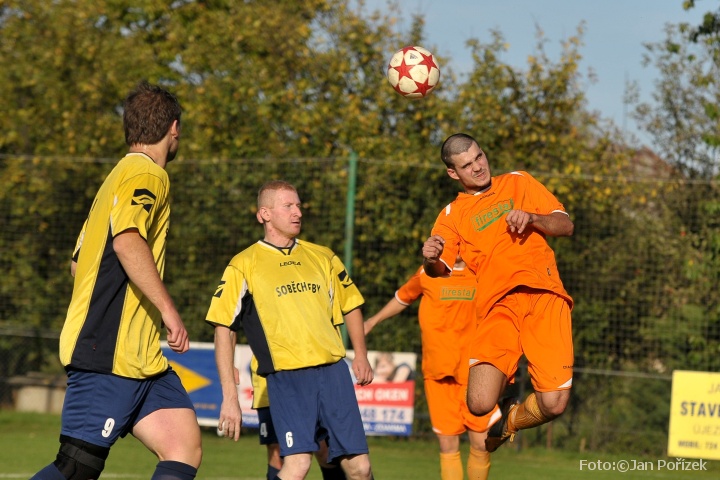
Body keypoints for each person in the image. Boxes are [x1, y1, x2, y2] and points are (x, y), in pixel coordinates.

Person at [31, 81, 202, 480]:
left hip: (141, 358)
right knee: (76, 466)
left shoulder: (114, 179)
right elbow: (127, 241)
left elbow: (78, 265)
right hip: (110, 353)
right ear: (174, 129)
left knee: (182, 447)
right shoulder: (147, 173)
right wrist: (168, 310)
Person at [206, 180, 375, 480]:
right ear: (265, 214)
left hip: (333, 373)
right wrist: (229, 397)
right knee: (297, 466)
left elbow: (350, 304)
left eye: (298, 205)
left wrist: (360, 355)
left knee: (360, 468)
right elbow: (224, 328)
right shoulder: (243, 264)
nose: (298, 212)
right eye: (288, 206)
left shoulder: (323, 256)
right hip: (287, 379)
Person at [422, 133, 574, 453]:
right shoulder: (451, 215)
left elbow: (565, 225)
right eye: (467, 165)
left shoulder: (519, 182)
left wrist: (533, 218)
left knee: (554, 403)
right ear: (453, 173)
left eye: (479, 156)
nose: (478, 167)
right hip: (498, 306)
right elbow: (439, 270)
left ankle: (512, 419)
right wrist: (430, 257)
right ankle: (503, 403)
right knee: (478, 403)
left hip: (545, 295)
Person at [364, 256, 500, 480]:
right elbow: (403, 297)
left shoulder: (481, 272)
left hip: (475, 371)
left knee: (481, 443)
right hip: (438, 371)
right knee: (447, 445)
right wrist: (372, 321)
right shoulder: (427, 272)